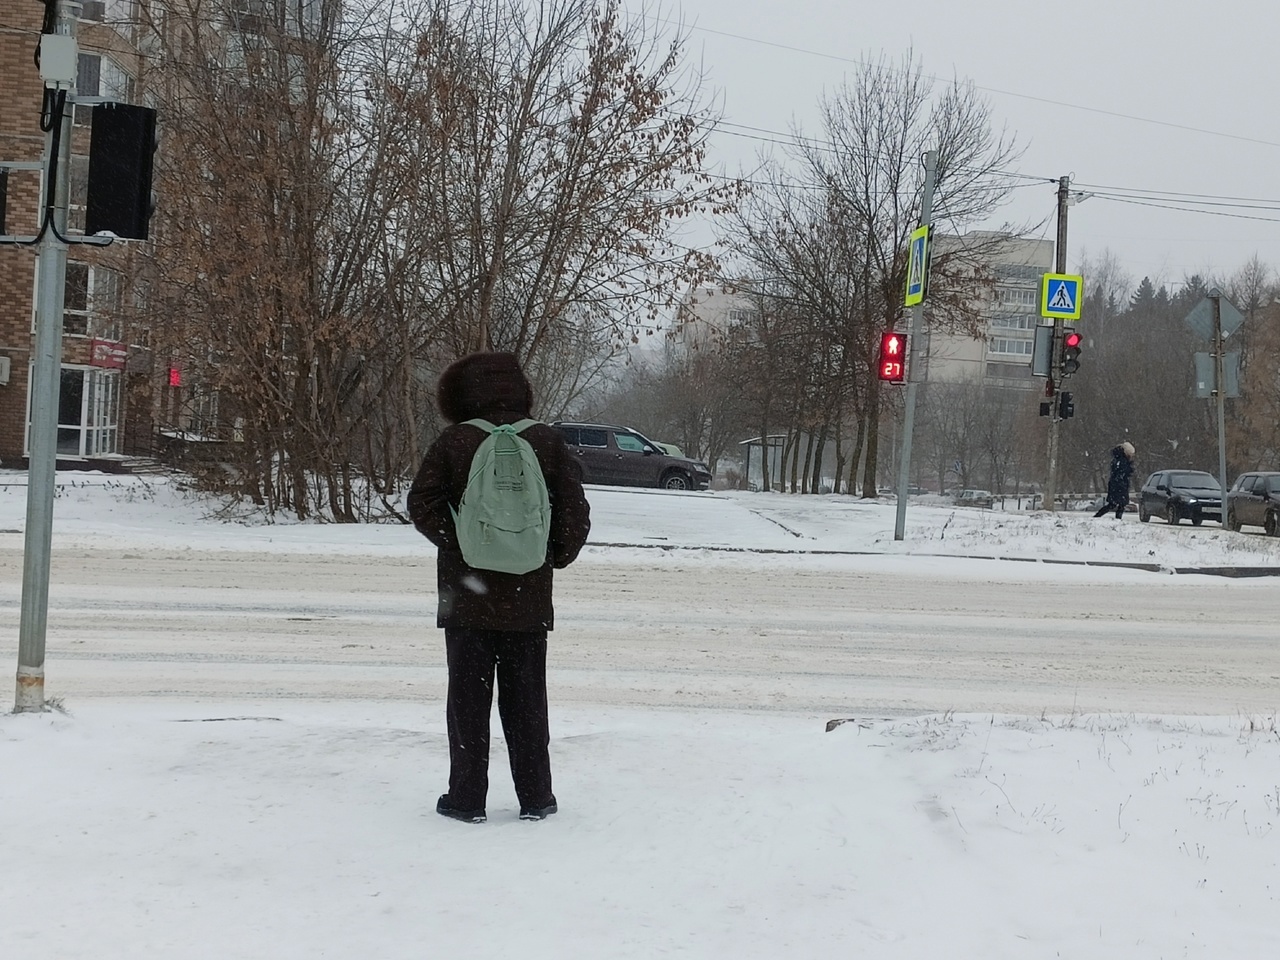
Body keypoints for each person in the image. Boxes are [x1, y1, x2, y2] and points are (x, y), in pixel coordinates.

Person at [407, 352, 591, 824]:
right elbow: (575, 511)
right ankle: (537, 798)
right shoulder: (546, 441)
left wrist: (463, 546)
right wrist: (549, 557)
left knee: (467, 704)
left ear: (463, 392)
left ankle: (466, 800)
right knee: (528, 701)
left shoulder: (455, 440)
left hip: (466, 597)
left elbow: (421, 503)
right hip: (528, 599)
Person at [1093, 441, 1136, 519]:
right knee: (1119, 504)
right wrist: (1122, 483)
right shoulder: (1122, 461)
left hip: (1116, 485)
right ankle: (1116, 519)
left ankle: (1099, 516)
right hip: (1118, 486)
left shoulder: (1118, 459)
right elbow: (1121, 474)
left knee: (1114, 504)